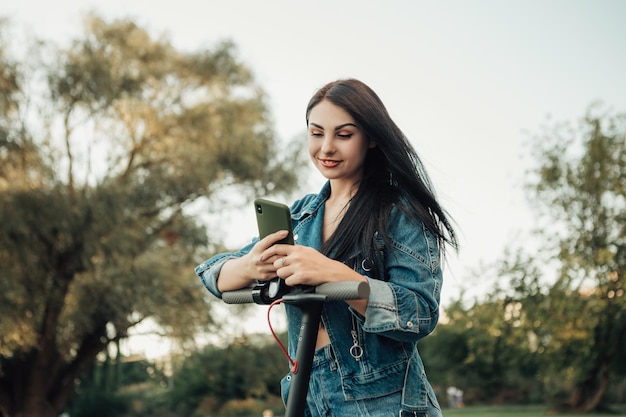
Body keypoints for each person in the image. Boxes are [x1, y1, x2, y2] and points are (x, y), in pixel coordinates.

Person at [195, 78, 457, 417]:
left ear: (373, 138)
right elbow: (211, 275)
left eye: (343, 135)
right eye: (317, 133)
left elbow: (419, 313)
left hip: (383, 400)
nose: (327, 147)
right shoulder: (301, 218)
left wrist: (334, 274)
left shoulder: (400, 212)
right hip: (306, 397)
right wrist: (249, 267)